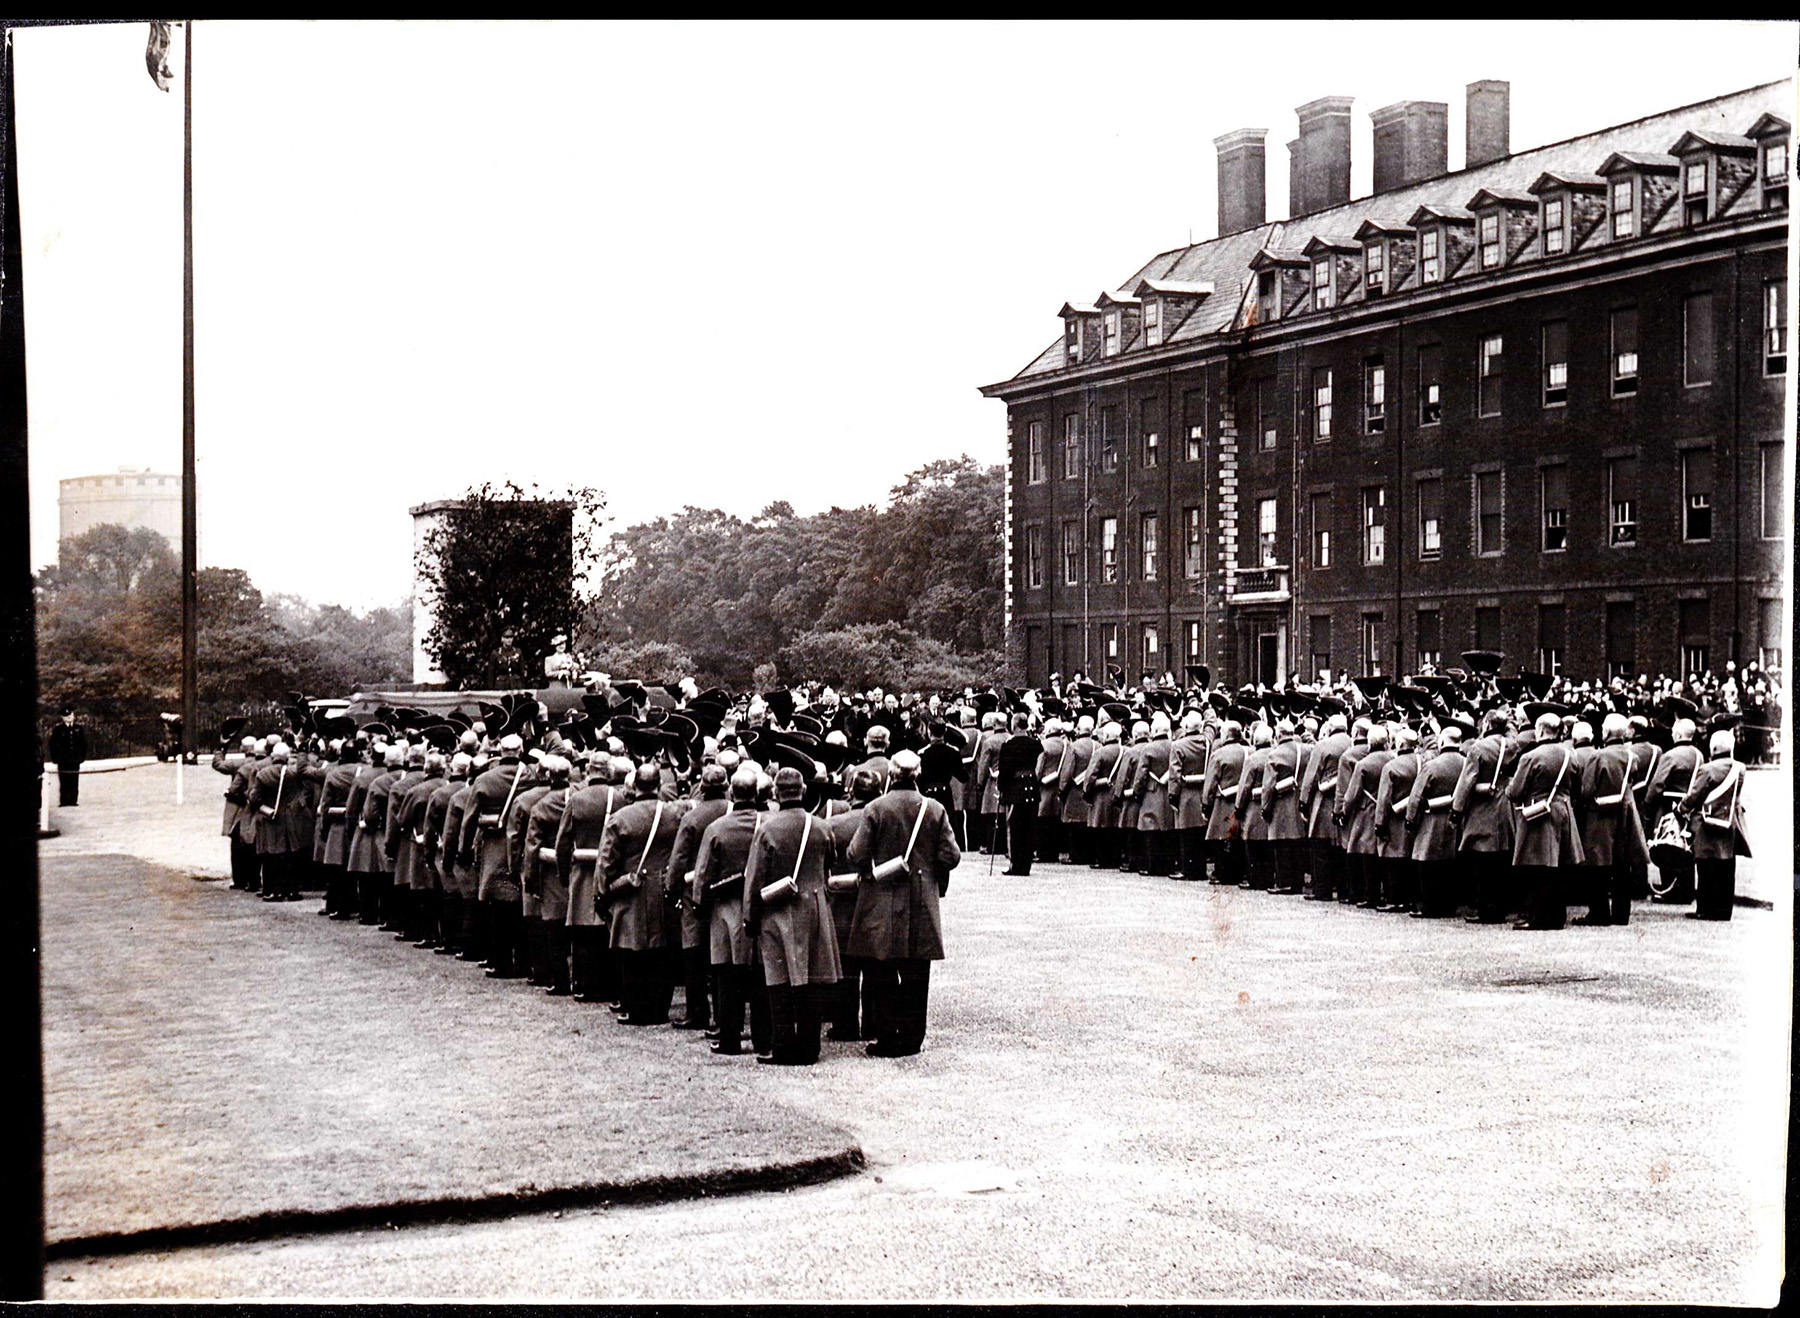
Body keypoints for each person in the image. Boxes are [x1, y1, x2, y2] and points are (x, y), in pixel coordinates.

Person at [847, 748, 960, 1058]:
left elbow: (856, 853)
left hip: (882, 894)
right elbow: (952, 855)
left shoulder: (875, 808)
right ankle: (911, 1039)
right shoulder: (934, 809)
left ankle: (886, 1037)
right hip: (920, 896)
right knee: (916, 972)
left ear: (892, 775)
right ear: (918, 773)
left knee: (881, 970)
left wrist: (874, 867)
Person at [742, 765, 842, 1065]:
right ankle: (810, 1047)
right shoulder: (822, 827)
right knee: (810, 978)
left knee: (779, 979)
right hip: (814, 907)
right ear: (804, 791)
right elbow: (830, 864)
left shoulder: (767, 829)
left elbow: (754, 877)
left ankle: (783, 1045)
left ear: (775, 793)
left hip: (778, 910)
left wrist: (750, 916)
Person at [600, 762, 685, 1024]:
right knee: (663, 951)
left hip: (631, 891)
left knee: (633, 951)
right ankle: (660, 1008)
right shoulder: (675, 814)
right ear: (659, 785)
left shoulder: (620, 818)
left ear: (635, 786)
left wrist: (602, 893)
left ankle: (637, 1009)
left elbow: (606, 862)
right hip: (663, 889)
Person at [692, 766, 765, 1054]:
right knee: (759, 975)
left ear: (732, 792)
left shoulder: (718, 828)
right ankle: (762, 1036)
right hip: (759, 907)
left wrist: (700, 904)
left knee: (725, 975)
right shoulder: (766, 822)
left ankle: (729, 1037)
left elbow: (703, 874)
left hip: (725, 909)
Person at [663, 762, 730, 1029]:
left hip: (695, 888)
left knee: (694, 950)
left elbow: (678, 858)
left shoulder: (692, 817)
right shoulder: (735, 810)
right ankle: (724, 1013)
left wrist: (671, 888)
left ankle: (697, 1011)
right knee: (724, 954)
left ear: (702, 786)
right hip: (728, 888)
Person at [1506, 712, 1584, 930]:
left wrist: (1508, 789)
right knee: (1558, 865)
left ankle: (1538, 917)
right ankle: (1557, 916)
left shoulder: (1530, 757)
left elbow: (1516, 791)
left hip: (1538, 812)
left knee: (1537, 867)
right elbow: (1578, 787)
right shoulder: (1571, 755)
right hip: (1563, 810)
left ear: (1539, 730)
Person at [822, 767, 879, 1041]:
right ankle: (873, 1022)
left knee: (845, 967)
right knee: (874, 966)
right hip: (875, 898)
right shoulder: (884, 821)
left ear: (851, 792)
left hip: (842, 900)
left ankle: (845, 1025)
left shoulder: (834, 824)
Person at [1678, 729, 1751, 921]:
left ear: (1714, 748)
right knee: (1727, 865)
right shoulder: (1740, 768)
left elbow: (1694, 795)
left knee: (1706, 865)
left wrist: (1680, 808)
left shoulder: (1708, 769)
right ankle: (1724, 909)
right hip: (1729, 820)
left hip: (1707, 821)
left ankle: (1705, 908)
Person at [1452, 711, 1518, 923]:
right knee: (1502, 858)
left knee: (1482, 861)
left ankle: (1485, 909)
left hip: (1483, 808)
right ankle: (1502, 907)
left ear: (1488, 724)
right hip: (1505, 804)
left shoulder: (1478, 748)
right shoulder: (1512, 746)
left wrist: (1457, 809)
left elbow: (1467, 781)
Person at [522, 755, 576, 994]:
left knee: (554, 929)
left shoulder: (541, 806)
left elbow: (532, 846)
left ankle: (560, 980)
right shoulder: (580, 796)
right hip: (579, 870)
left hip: (553, 872)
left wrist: (530, 880)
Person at [1405, 724, 1466, 917]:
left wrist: (1410, 819)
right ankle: (1449, 906)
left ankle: (1430, 906)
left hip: (1432, 819)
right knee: (1451, 865)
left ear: (1441, 742)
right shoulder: (1466, 763)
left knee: (1429, 864)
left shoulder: (1432, 766)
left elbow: (1416, 796)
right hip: (1459, 819)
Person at [1644, 718, 1703, 904]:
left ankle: (1671, 889)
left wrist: (1648, 803)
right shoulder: (1699, 754)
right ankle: (1685, 889)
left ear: (1678, 735)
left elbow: (1657, 784)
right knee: (1686, 846)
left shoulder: (1670, 756)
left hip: (1670, 806)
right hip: (1690, 806)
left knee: (1667, 845)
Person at [1298, 714, 1350, 901]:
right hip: (1347, 801)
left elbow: (1311, 777)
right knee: (1341, 849)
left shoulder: (1323, 745)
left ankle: (1323, 890)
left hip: (1325, 800)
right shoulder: (1353, 744)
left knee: (1321, 848)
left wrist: (1303, 802)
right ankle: (1344, 890)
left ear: (1330, 728)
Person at [1373, 726, 1420, 911]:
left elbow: (1384, 798)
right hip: (1417, 815)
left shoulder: (1391, 766)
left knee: (1393, 857)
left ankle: (1394, 899)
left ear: (1399, 744)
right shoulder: (1423, 761)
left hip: (1395, 816)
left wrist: (1379, 823)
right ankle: (1411, 898)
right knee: (1410, 856)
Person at [1260, 719, 1306, 894]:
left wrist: (1265, 808)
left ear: (1278, 735)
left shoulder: (1274, 755)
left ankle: (1284, 882)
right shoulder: (1305, 750)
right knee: (1297, 844)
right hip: (1300, 801)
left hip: (1281, 804)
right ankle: (1298, 881)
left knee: (1282, 846)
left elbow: (1268, 786)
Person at [996, 712, 1043, 875]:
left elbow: (1004, 771)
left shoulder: (1008, 746)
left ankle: (1016, 864)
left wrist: (1000, 788)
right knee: (1029, 826)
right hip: (1031, 786)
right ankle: (1026, 863)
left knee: (1015, 827)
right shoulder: (1036, 744)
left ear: (1014, 725)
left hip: (1015, 788)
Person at [1200, 721, 1247, 886]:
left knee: (1223, 839)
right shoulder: (1249, 751)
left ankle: (1223, 874)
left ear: (1226, 735)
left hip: (1225, 801)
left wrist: (1206, 804)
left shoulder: (1219, 754)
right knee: (1240, 839)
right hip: (1245, 801)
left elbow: (1210, 783)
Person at [1169, 712, 1210, 881]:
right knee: (1200, 833)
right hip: (1202, 790)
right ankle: (1200, 870)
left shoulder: (1178, 745)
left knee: (1186, 835)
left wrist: (1173, 795)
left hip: (1186, 793)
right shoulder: (1207, 743)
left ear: (1186, 727)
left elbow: (1175, 774)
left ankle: (1188, 869)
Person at [1057, 714, 1098, 868]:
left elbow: (1067, 771)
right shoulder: (1098, 746)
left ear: (1078, 729)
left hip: (1075, 789)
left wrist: (1061, 789)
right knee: (1088, 823)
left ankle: (1075, 855)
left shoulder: (1073, 747)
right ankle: (1089, 854)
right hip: (1091, 790)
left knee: (1074, 825)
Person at [48, 708, 88, 807]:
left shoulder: (78, 728)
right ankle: (64, 800)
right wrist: (56, 758)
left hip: (75, 759)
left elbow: (83, 744)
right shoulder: (58, 729)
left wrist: (81, 757)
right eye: (66, 716)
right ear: (62, 718)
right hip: (63, 760)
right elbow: (53, 745)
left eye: (70, 715)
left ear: (73, 715)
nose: (69, 717)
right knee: (64, 780)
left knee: (74, 779)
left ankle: (73, 800)